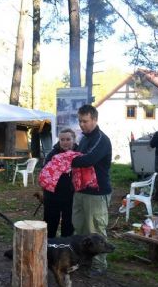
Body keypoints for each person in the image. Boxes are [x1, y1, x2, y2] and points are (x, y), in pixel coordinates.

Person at [70, 104, 112, 277]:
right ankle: (85, 260)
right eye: (80, 121)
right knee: (79, 228)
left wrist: (68, 159)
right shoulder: (84, 139)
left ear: (95, 119)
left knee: (95, 229)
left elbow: (88, 159)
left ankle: (100, 264)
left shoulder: (101, 139)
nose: (82, 125)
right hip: (80, 191)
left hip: (97, 193)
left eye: (85, 121)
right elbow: (77, 156)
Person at [43, 128, 77, 238]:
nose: (65, 142)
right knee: (50, 224)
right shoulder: (52, 154)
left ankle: (65, 248)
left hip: (71, 195)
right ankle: (48, 248)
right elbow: (45, 175)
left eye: (68, 139)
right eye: (62, 139)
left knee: (68, 225)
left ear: (74, 139)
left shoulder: (79, 154)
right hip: (52, 195)